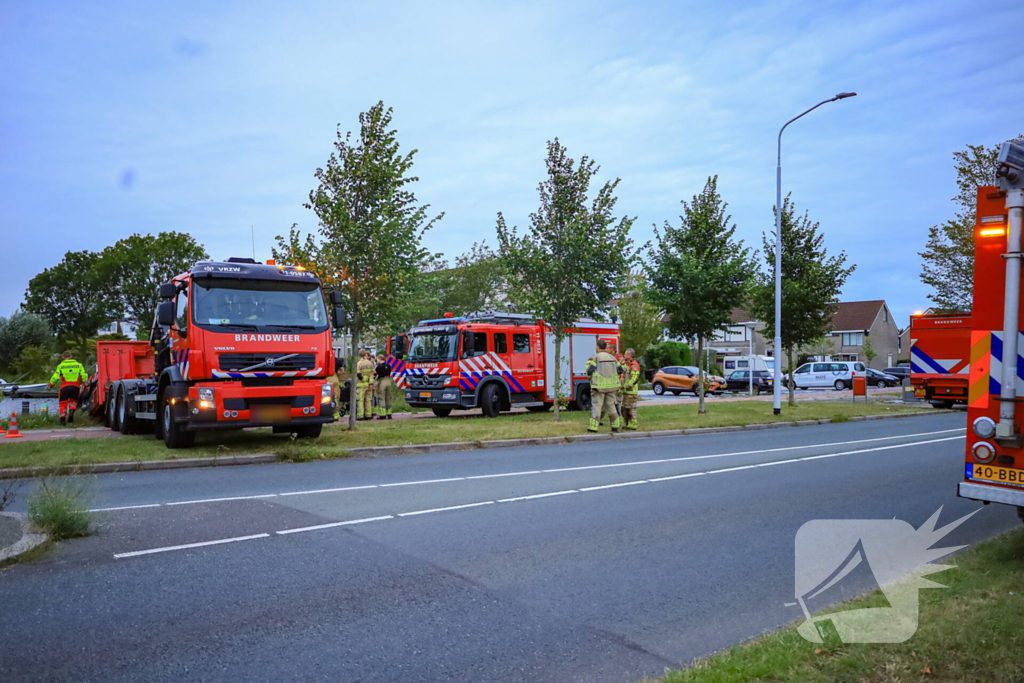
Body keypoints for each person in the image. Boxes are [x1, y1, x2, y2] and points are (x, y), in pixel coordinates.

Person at [585, 339, 623, 433]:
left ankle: (593, 427)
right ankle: (615, 426)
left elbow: (589, 371)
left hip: (598, 387)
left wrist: (591, 379)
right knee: (611, 406)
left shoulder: (595, 358)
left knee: (597, 406)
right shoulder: (613, 358)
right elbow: (621, 370)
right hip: (612, 387)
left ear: (598, 347)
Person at [48, 350, 87, 427]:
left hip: (64, 387)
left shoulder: (60, 366)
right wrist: (86, 385)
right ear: (71, 356)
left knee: (63, 404)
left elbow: (55, 377)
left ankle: (62, 421)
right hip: (75, 387)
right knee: (73, 401)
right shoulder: (79, 365)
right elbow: (84, 376)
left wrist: (50, 385)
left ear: (63, 357)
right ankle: (71, 411)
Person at [620, 348, 641, 431]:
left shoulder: (634, 366)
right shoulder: (628, 365)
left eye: (625, 354)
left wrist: (627, 386)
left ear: (629, 355)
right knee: (624, 409)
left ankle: (633, 424)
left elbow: (635, 378)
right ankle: (627, 423)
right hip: (626, 392)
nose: (624, 356)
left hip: (631, 392)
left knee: (631, 409)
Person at [355, 350, 375, 421]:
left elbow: (358, 374)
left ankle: (360, 416)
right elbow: (373, 374)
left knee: (360, 401)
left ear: (359, 355)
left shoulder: (359, 363)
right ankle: (368, 415)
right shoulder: (370, 363)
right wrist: (370, 383)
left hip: (361, 386)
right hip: (369, 385)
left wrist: (365, 379)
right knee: (368, 400)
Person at [374, 354, 393, 420]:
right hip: (388, 381)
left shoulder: (379, 367)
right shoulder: (388, 366)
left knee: (381, 398)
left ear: (379, 359)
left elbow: (376, 375)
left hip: (382, 382)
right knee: (388, 398)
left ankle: (383, 414)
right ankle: (389, 414)